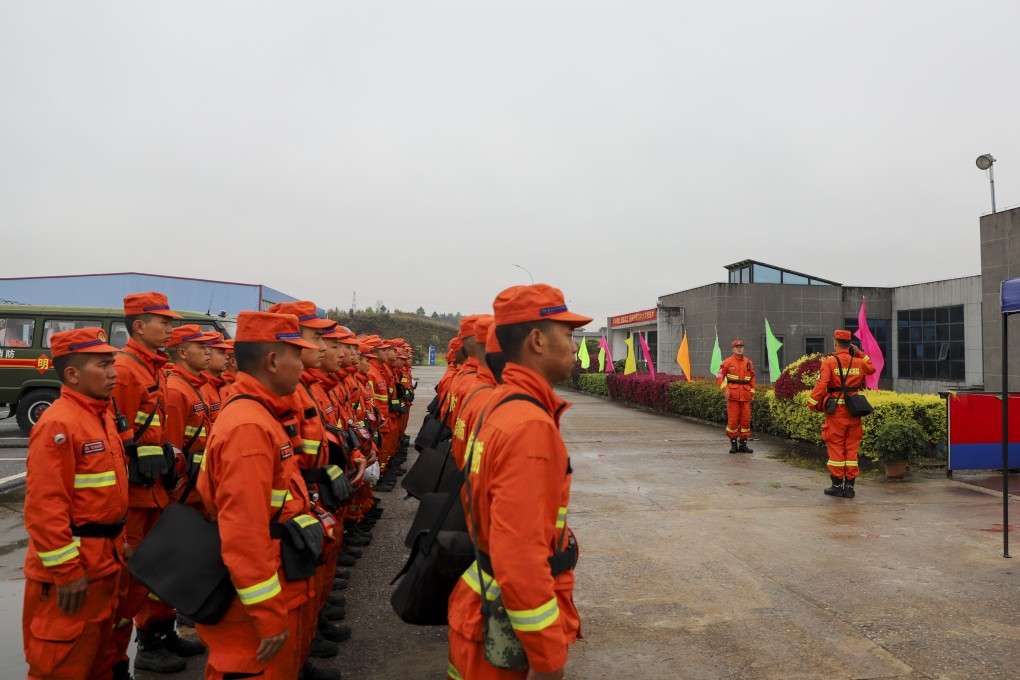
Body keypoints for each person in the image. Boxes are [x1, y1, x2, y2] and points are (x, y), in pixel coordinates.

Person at [447, 284, 589, 680]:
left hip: (486, 610)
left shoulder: (501, 403)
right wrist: (547, 658)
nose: (575, 346)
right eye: (568, 334)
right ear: (538, 341)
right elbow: (520, 557)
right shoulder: (529, 426)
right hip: (505, 640)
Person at [195, 311, 323, 679]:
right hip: (256, 606)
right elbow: (244, 535)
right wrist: (267, 615)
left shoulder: (261, 414)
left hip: (275, 585)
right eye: (296, 354)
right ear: (272, 361)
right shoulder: (249, 427)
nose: (302, 363)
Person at [22, 327, 129, 679]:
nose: (114, 373)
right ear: (72, 374)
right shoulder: (59, 423)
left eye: (112, 363)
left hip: (103, 565)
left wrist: (120, 543)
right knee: (61, 667)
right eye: (103, 365)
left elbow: (102, 496)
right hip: (73, 575)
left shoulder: (101, 415)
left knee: (97, 662)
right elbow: (44, 509)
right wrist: (67, 572)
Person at [103, 292, 201, 678]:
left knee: (159, 569)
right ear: (140, 326)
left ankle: (160, 633)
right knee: (132, 579)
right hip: (136, 495)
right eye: (164, 322)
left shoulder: (153, 367)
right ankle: (132, 652)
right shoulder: (127, 370)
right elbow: (116, 436)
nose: (170, 328)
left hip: (156, 489)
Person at [807, 330, 876, 498]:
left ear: (835, 343)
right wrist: (859, 353)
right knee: (851, 449)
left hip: (836, 414)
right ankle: (850, 488)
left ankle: (837, 486)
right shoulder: (859, 362)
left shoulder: (829, 363)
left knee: (836, 448)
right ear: (850, 345)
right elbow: (872, 368)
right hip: (854, 412)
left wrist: (812, 403)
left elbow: (821, 386)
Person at [716, 339, 756, 453]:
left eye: (741, 347)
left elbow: (752, 379)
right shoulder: (727, 362)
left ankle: (743, 445)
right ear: (733, 349)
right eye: (737, 347)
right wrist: (725, 389)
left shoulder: (748, 362)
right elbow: (719, 377)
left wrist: (752, 393)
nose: (739, 349)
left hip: (746, 397)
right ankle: (734, 445)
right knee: (733, 422)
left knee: (746, 422)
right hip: (733, 397)